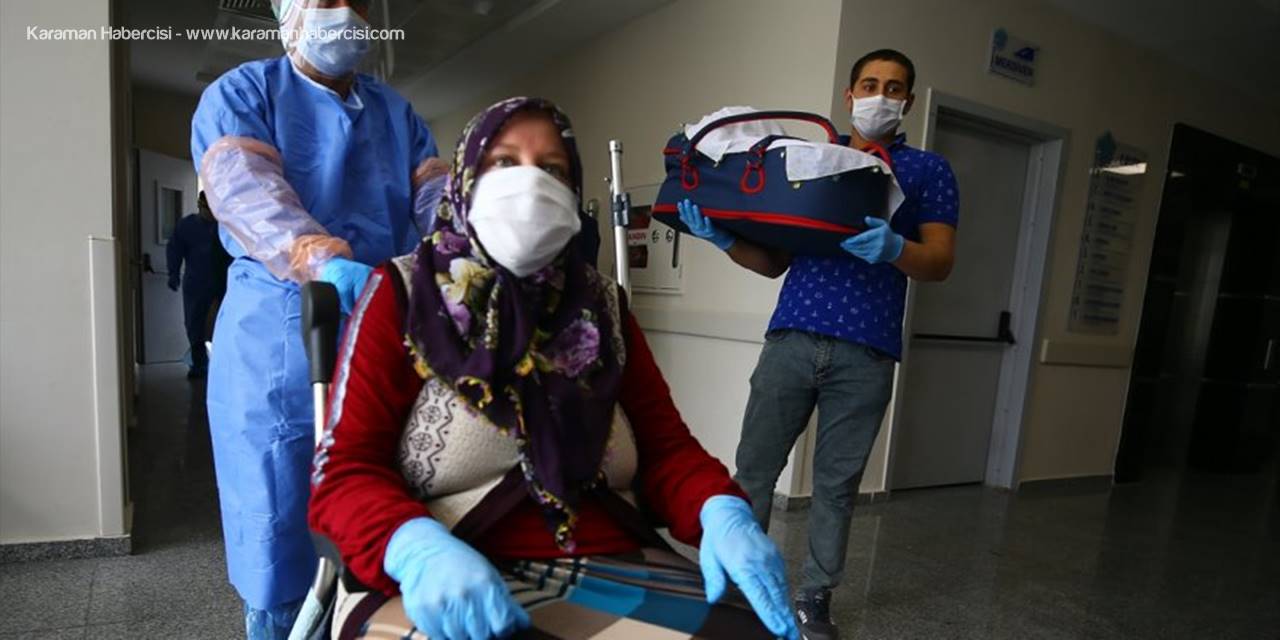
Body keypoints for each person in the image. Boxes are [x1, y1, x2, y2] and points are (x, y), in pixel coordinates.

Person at [307, 97, 799, 640]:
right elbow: (344, 470)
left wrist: (718, 509)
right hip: (441, 569)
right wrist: (413, 548)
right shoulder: (402, 293)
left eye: (553, 169)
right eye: (503, 162)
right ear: (464, 178)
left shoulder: (602, 305)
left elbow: (666, 449)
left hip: (608, 555)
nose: (528, 183)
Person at [679, 49, 959, 640]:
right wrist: (724, 239)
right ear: (849, 94)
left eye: (894, 88)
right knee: (753, 471)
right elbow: (774, 261)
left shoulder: (929, 170)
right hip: (792, 337)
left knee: (835, 487)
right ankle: (736, 587)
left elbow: (939, 262)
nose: (880, 95)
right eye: (869, 84)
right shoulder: (809, 160)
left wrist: (896, 249)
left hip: (868, 351)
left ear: (908, 101)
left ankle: (815, 596)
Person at [190, 1, 445, 636]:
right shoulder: (245, 93)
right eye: (328, 0)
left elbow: (440, 202)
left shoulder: (396, 113)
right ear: (290, 12)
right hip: (277, 333)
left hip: (382, 324)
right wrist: (317, 257)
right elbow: (243, 186)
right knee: (279, 510)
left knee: (383, 493)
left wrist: (474, 256)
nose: (347, 13)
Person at [165, 192, 231, 378]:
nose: (211, 213)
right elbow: (174, 250)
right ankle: (199, 364)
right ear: (200, 205)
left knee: (224, 324)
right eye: (207, 208)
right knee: (195, 324)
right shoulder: (187, 226)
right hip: (196, 283)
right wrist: (173, 273)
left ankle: (224, 366)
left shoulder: (226, 227)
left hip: (224, 283)